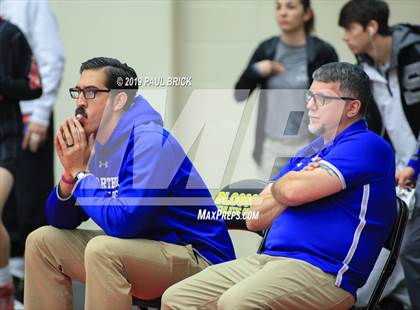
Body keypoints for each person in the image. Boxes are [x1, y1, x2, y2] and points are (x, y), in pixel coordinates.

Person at [162, 62, 397, 310]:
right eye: (310, 95)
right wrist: (291, 185)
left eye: (322, 98)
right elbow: (256, 219)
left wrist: (286, 187)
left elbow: (292, 192)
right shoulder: (309, 152)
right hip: (269, 260)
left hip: (324, 273)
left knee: (237, 303)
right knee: (178, 298)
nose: (310, 105)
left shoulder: (368, 146)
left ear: (352, 106)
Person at [23, 57, 235, 310]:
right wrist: (70, 177)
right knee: (42, 241)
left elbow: (126, 223)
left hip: (198, 259)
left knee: (104, 250)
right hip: (142, 251)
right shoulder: (98, 144)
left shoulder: (150, 141)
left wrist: (81, 175)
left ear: (119, 100)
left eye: (90, 93)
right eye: (77, 92)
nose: (80, 102)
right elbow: (60, 221)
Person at [338, 1, 420, 308]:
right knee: (400, 245)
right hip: (400, 169)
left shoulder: (415, 54)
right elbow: (370, 124)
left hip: (413, 165)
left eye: (350, 29)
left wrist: (414, 163)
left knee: (410, 249)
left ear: (371, 27)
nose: (345, 37)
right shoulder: (363, 67)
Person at [234, 0, 338, 180]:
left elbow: (335, 101)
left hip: (310, 144)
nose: (283, 13)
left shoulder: (323, 52)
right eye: (278, 7)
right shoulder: (267, 49)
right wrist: (257, 70)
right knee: (268, 201)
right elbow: (239, 94)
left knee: (307, 204)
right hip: (271, 146)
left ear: (306, 14)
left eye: (290, 7)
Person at [0, 0, 65, 281]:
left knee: (29, 200)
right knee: (8, 208)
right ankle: (10, 278)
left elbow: (50, 58)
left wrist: (40, 114)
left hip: (27, 114)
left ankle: (31, 279)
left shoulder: (28, 3)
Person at [0, 17, 42, 310]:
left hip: (6, 138)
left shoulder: (11, 35)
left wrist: (3, 84)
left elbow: (34, 86)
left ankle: (4, 289)